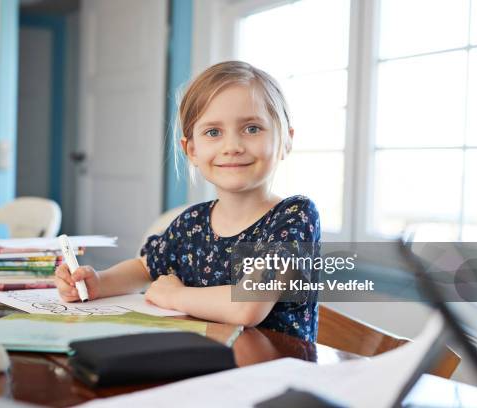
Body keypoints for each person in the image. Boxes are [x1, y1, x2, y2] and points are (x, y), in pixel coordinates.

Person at [55, 61, 321, 341]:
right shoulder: (192, 223)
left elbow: (247, 306)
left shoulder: (294, 216)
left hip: (273, 372)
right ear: (192, 150)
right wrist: (98, 282)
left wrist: (176, 295)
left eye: (252, 129)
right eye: (213, 132)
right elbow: (145, 267)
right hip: (206, 367)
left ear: (286, 141)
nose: (232, 147)